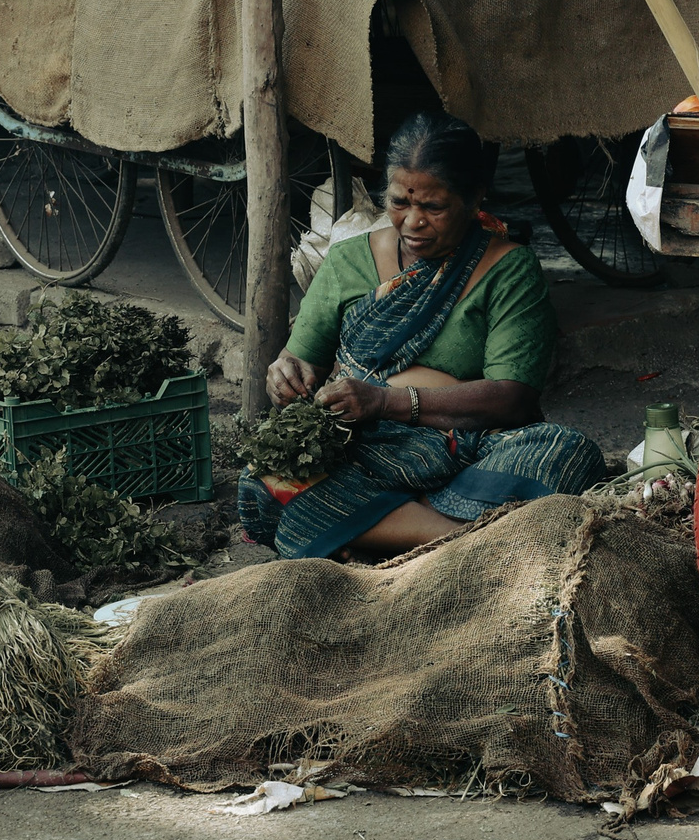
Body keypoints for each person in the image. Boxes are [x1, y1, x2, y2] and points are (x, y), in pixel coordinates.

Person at [238, 111, 606, 561]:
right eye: (398, 203)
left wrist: (385, 401)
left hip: (468, 452)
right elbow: (302, 361)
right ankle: (460, 542)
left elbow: (514, 399)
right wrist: (286, 375)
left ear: (474, 199)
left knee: (566, 453)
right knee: (268, 477)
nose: (412, 222)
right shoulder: (348, 262)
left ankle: (380, 531)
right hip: (362, 452)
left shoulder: (508, 269)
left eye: (433, 207)